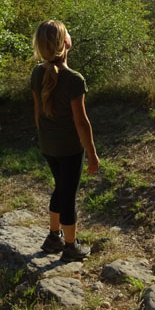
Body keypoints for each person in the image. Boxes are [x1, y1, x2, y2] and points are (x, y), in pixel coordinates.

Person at [30, 19, 100, 262]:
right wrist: (91, 153)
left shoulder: (37, 73)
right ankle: (70, 246)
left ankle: (53, 237)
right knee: (68, 194)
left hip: (48, 146)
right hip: (69, 149)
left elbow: (37, 113)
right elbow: (81, 122)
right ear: (65, 43)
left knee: (60, 187)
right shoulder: (73, 79)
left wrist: (45, 138)